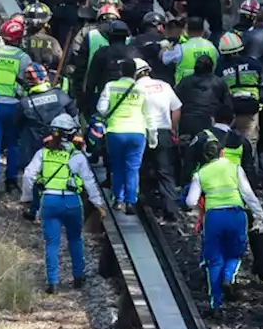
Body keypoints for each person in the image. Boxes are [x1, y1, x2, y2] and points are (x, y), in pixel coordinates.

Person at [21, 114, 105, 294]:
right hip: (71, 202)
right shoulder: (77, 156)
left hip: (49, 201)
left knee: (51, 243)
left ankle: (53, 282)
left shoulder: (42, 153)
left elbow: (28, 175)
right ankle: (78, 277)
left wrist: (27, 197)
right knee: (75, 239)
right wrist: (99, 204)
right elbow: (89, 182)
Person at [184, 137, 263, 311]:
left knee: (214, 261)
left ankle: (216, 304)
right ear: (222, 152)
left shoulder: (200, 173)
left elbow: (191, 201)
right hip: (236, 216)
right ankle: (228, 277)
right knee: (235, 253)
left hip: (214, 217)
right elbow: (248, 195)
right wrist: (262, 216)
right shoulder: (235, 168)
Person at [96, 57, 151, 215]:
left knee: (117, 166)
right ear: (135, 73)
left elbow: (101, 109)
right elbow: (147, 113)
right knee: (133, 168)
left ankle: (118, 200)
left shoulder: (111, 86)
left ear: (120, 71)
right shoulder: (141, 89)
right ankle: (130, 202)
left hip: (115, 131)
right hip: (137, 132)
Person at [216, 31, 263, 170]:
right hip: (250, 110)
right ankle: (249, 172)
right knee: (249, 142)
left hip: (229, 111)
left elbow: (217, 90)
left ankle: (228, 170)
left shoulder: (220, 68)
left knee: (226, 143)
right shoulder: (254, 64)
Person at [130, 58, 182, 218]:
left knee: (138, 167)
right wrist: (173, 129)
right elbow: (177, 108)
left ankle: (139, 202)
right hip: (164, 132)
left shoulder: (134, 88)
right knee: (165, 170)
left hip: (142, 132)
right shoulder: (164, 86)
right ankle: (171, 208)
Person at [0, 19, 33, 191]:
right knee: (14, 144)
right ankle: (11, 181)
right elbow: (28, 82)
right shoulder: (23, 58)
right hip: (14, 105)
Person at [18, 63, 78, 178]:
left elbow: (16, 125)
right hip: (60, 148)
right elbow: (74, 115)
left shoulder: (24, 103)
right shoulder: (59, 94)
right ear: (45, 77)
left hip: (34, 150)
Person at [175, 54, 235, 144]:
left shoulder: (184, 81)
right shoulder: (219, 82)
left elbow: (174, 103)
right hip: (209, 121)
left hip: (186, 122)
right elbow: (228, 106)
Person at [82, 18, 137, 112]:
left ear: (109, 36)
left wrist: (84, 104)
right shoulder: (134, 52)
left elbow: (91, 82)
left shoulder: (101, 53)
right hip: (131, 101)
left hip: (105, 101)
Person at [69, 1, 121, 99]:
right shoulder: (126, 37)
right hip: (121, 89)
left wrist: (78, 91)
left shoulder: (91, 35)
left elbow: (80, 64)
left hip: (94, 88)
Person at [163, 16, 220, 85]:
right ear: (203, 31)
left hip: (185, 89)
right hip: (209, 87)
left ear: (186, 31)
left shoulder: (181, 48)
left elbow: (165, 60)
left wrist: (166, 48)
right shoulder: (211, 47)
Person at [130, 11, 174, 86]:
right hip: (165, 83)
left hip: (141, 82)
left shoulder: (135, 41)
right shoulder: (168, 41)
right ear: (160, 27)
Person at [20, 2, 64, 74]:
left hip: (25, 78)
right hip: (46, 80)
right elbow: (61, 63)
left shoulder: (21, 40)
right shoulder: (52, 42)